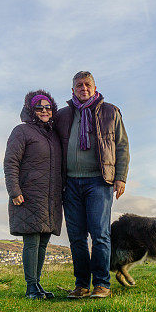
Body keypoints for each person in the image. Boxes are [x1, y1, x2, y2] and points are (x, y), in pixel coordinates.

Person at [54, 71, 129, 299]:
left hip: (99, 181)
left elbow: (122, 146)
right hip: (70, 183)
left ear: (94, 88)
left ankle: (102, 284)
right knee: (76, 237)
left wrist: (121, 177)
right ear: (73, 90)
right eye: (79, 85)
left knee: (100, 235)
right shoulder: (63, 115)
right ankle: (81, 285)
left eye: (87, 85)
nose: (83, 88)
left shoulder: (110, 112)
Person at [3, 90, 63, 299]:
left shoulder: (53, 135)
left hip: (50, 197)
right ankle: (30, 287)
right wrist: (14, 190)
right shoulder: (22, 131)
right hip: (28, 194)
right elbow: (11, 162)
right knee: (32, 241)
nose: (44, 111)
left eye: (48, 107)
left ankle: (37, 285)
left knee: (44, 241)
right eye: (39, 107)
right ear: (31, 110)